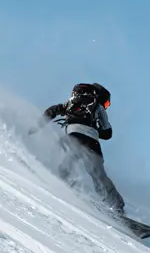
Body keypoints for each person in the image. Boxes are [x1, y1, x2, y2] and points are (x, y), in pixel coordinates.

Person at [37, 82, 126, 216]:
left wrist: (38, 125)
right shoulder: (98, 106)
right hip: (91, 142)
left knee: (66, 165)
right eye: (107, 103)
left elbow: (52, 110)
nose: (106, 106)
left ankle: (70, 190)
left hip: (73, 138)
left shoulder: (71, 103)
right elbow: (108, 133)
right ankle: (116, 207)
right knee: (97, 174)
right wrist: (96, 129)